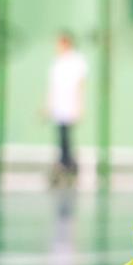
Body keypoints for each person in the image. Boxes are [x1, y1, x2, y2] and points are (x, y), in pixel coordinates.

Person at [46, 31, 87, 183]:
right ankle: (65, 163)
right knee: (61, 135)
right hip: (59, 105)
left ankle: (68, 164)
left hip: (70, 104)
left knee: (66, 137)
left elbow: (80, 85)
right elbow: (53, 86)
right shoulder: (57, 62)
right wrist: (48, 105)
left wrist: (79, 106)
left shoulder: (77, 61)